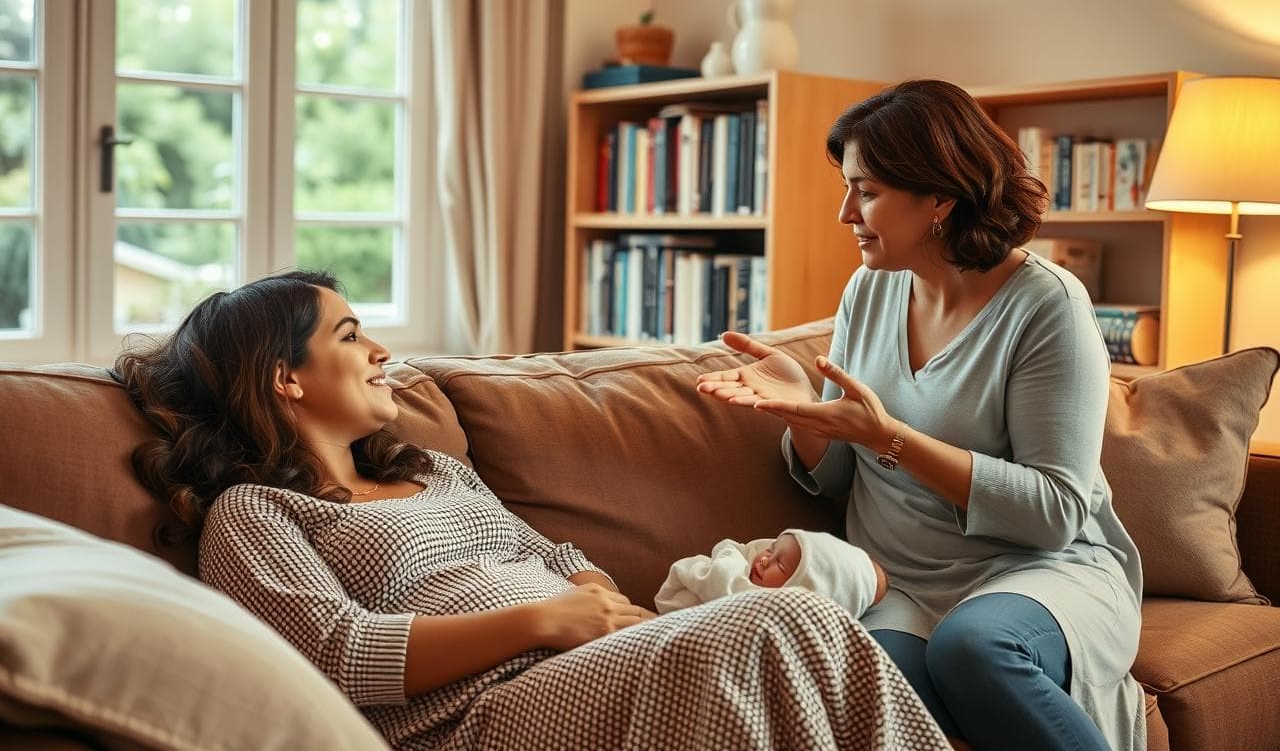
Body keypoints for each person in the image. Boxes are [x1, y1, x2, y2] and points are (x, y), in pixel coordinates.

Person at [114, 270, 951, 751]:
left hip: (588, 666)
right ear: (284, 377)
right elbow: (338, 656)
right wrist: (547, 623)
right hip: (483, 719)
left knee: (808, 626)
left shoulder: (433, 471)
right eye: (350, 336)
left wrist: (607, 611)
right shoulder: (256, 512)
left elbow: (552, 559)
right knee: (770, 626)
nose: (381, 353)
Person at [697, 79, 1145, 751]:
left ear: (940, 196)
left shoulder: (1046, 305)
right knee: (859, 693)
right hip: (900, 580)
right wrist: (806, 414)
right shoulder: (869, 289)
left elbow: (1055, 511)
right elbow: (840, 476)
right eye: (847, 187)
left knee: (973, 648)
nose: (845, 212)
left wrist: (893, 439)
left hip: (1039, 574)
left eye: (868, 190)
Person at [654, 529, 889, 617]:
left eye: (782, 565)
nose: (765, 560)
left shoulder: (766, 609)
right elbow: (696, 573)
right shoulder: (744, 568)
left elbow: (724, 582)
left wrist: (727, 558)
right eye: (771, 549)